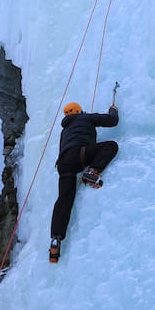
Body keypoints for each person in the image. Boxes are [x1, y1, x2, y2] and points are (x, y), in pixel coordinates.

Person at [50, 101, 119, 263]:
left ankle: (55, 239)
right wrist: (113, 110)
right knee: (111, 146)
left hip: (63, 163)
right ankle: (92, 172)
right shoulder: (86, 117)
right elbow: (112, 120)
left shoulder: (64, 130)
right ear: (79, 111)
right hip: (80, 154)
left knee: (64, 200)